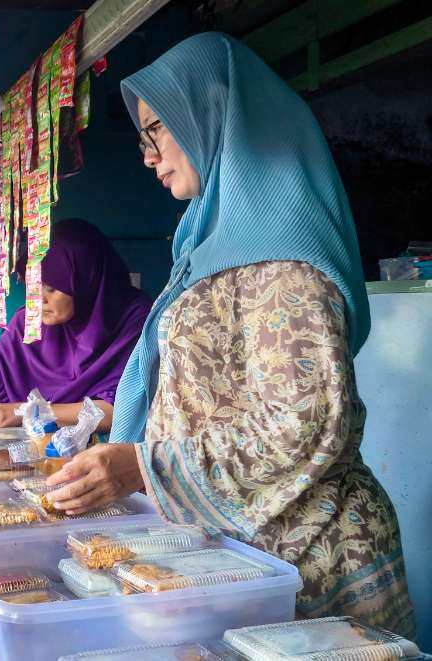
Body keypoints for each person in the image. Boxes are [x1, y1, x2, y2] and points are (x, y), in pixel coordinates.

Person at [45, 33, 414, 635]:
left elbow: (304, 422)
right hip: (246, 551)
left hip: (310, 559)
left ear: (210, 112)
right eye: (143, 137)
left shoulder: (285, 265)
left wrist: (144, 467)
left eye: (156, 130)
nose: (147, 156)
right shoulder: (207, 243)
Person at [0, 219, 151, 431]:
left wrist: (28, 412)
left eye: (51, 288)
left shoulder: (135, 320)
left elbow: (120, 410)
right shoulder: (31, 321)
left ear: (86, 283)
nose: (38, 299)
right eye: (34, 285)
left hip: (105, 457)